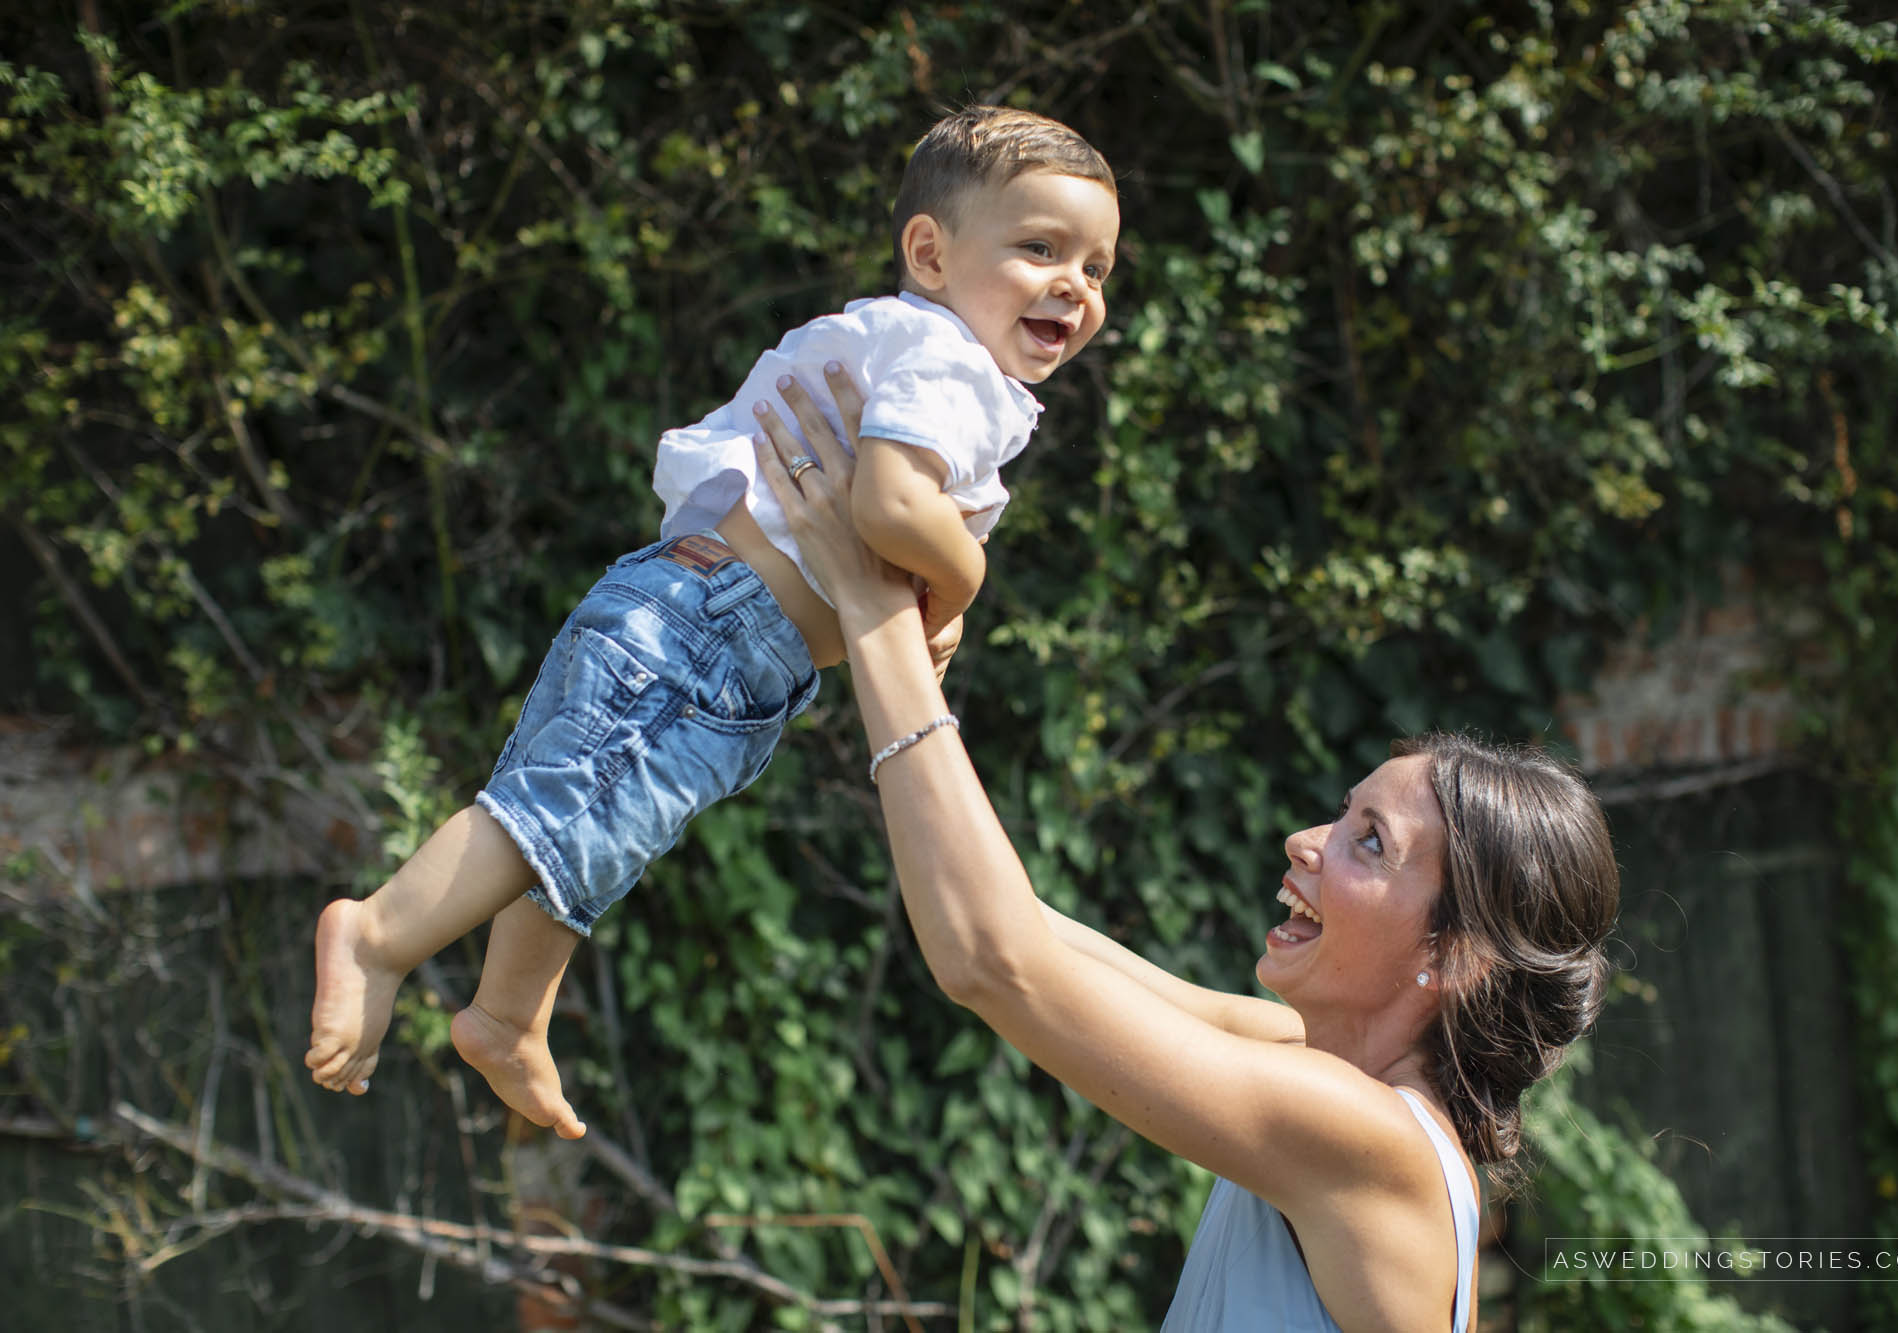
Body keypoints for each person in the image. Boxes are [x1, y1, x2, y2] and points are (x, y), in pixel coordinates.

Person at [305, 106, 1121, 1138]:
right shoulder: (943, 358)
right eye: (1039, 249)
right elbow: (887, 507)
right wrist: (962, 581)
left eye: (1095, 268)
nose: (1074, 287)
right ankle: (375, 934)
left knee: (595, 821)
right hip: (707, 629)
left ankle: (507, 1013)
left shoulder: (922, 348)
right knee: (567, 805)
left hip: (719, 637)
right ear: (930, 251)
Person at [747, 371, 1622, 1331]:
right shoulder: (1318, 1060)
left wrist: (870, 608)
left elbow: (994, 961)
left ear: (1456, 958)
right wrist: (913, 645)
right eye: (1343, 813)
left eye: (1369, 842)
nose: (1306, 841)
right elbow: (1023, 928)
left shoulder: (1366, 1136)